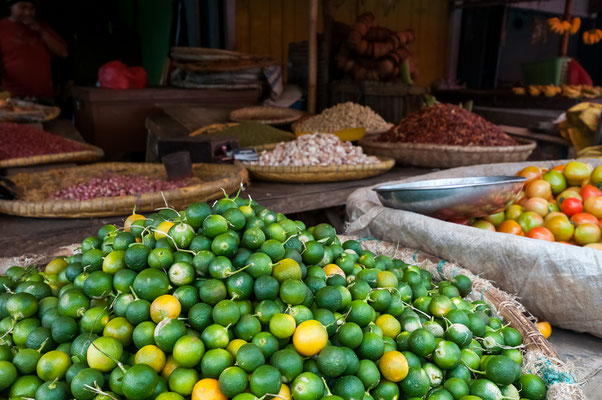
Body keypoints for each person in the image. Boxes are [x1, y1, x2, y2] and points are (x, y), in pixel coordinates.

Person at [0, 0, 67, 100]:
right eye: (23, 7)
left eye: (32, 8)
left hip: (44, 97)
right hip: (12, 98)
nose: (27, 13)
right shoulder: (2, 27)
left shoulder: (42, 26)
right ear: (11, 7)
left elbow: (63, 53)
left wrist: (41, 31)